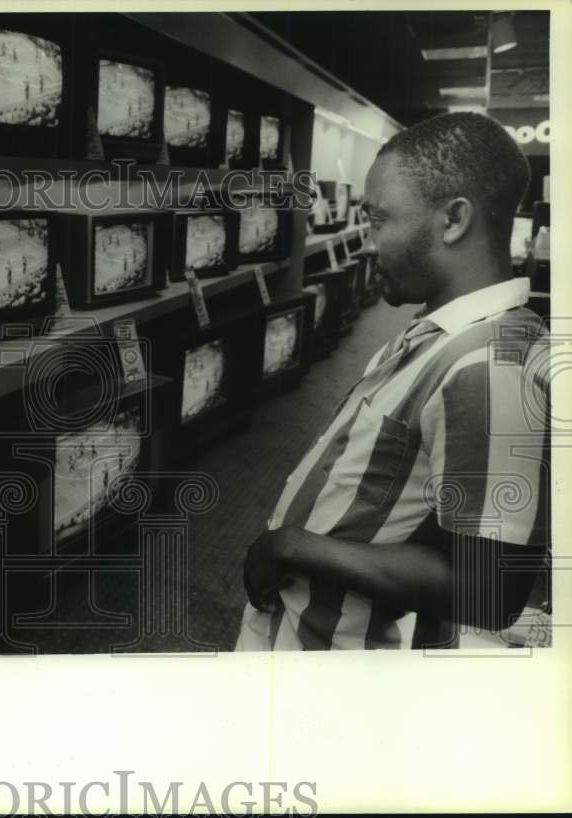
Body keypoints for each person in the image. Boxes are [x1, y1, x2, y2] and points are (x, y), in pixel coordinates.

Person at [236, 112, 550, 651]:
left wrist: (291, 548)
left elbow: (490, 589)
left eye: (379, 219)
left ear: (452, 220)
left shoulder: (487, 365)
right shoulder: (446, 334)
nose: (367, 241)